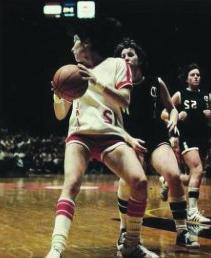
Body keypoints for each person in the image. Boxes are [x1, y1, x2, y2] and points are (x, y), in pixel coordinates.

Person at [45, 20, 159, 258]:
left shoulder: (117, 64)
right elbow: (60, 115)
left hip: (111, 136)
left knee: (139, 182)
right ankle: (56, 249)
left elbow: (125, 100)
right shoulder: (72, 73)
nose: (72, 48)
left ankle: (131, 245)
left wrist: (94, 81)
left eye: (75, 42)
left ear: (86, 44)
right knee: (72, 184)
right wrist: (58, 96)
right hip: (80, 134)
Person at [114, 38, 200, 250]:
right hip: (129, 137)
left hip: (155, 136)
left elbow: (171, 107)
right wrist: (127, 139)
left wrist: (173, 117)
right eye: (122, 55)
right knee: (129, 181)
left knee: (172, 174)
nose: (126, 58)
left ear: (139, 58)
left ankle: (182, 231)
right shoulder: (115, 85)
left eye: (130, 54)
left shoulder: (155, 81)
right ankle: (125, 230)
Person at [160, 63, 211, 223]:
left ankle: (167, 180)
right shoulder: (180, 94)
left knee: (194, 175)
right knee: (198, 169)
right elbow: (164, 113)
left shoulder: (207, 96)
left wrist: (210, 117)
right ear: (186, 78)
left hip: (202, 138)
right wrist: (176, 117)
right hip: (186, 137)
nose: (196, 77)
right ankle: (191, 211)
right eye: (193, 75)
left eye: (198, 75)